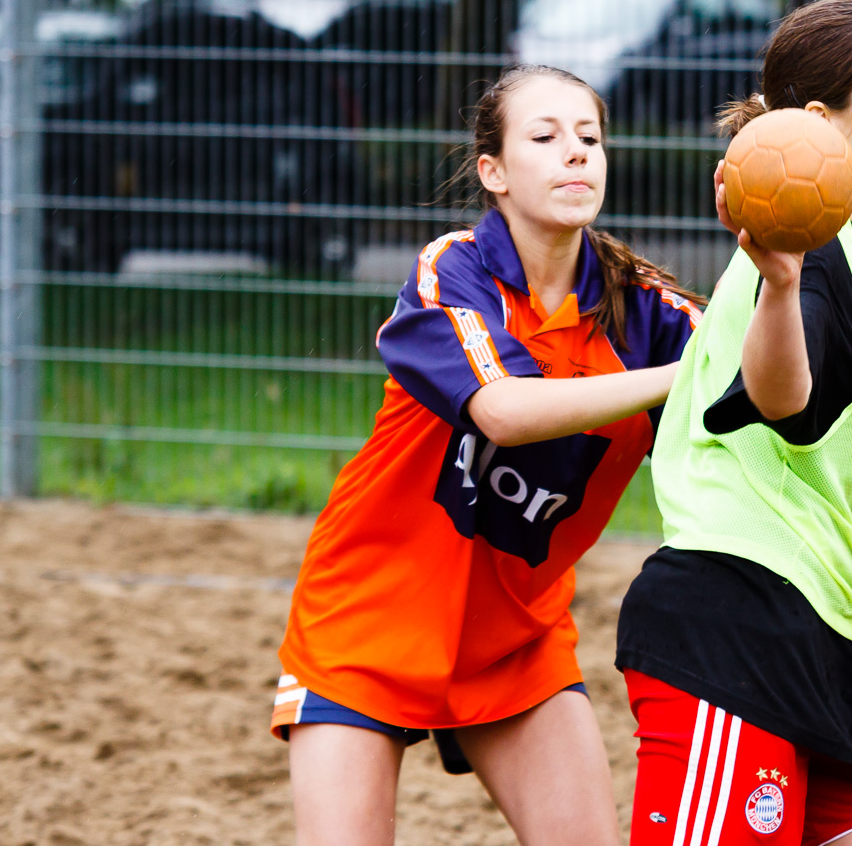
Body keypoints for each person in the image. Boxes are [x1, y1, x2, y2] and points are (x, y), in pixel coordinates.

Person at [272, 64, 704, 846]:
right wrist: (679, 379)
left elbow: (766, 407)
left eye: (590, 137)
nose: (575, 153)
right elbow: (503, 410)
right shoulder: (453, 269)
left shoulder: (645, 310)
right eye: (545, 137)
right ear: (493, 172)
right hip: (371, 620)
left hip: (515, 636)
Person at [615, 0, 852, 846]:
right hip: (735, 627)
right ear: (818, 123)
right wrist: (785, 281)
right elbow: (780, 399)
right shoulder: (807, 254)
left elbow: (800, 440)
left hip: (822, 634)